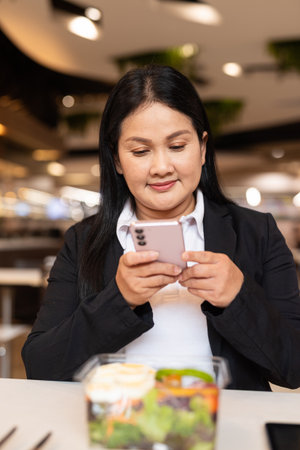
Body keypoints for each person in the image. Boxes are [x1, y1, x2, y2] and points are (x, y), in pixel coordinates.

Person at [22, 65, 300, 390]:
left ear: (203, 148)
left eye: (178, 146)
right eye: (140, 151)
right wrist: (118, 299)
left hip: (222, 430)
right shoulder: (83, 241)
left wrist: (239, 296)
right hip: (117, 428)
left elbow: (293, 367)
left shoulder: (257, 232)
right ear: (116, 160)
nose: (161, 167)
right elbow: (40, 367)